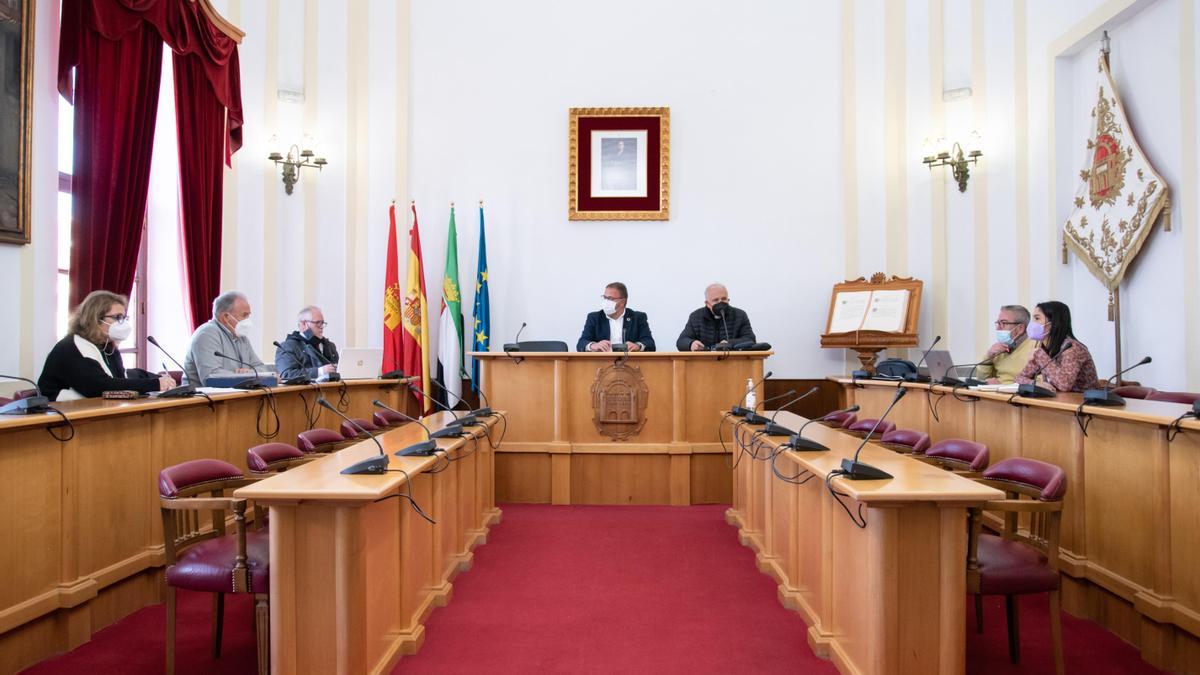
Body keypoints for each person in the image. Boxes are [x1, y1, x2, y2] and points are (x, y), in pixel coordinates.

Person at [38, 290, 175, 401]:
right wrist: (155, 384)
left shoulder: (108, 347)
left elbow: (120, 380)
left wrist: (159, 380)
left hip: (93, 412)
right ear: (95, 319)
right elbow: (99, 386)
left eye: (124, 318)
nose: (122, 323)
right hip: (60, 418)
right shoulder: (70, 347)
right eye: (117, 317)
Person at [183, 291, 266, 385]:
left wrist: (249, 373)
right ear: (226, 317)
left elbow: (260, 367)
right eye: (244, 315)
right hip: (202, 397)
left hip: (235, 395)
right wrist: (243, 376)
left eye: (248, 315)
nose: (248, 320)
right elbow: (211, 377)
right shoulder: (206, 334)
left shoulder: (241, 337)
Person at [1014, 301, 1099, 393]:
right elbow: (1019, 378)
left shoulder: (1072, 348)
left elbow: (1065, 385)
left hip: (1084, 403)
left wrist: (1040, 355)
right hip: (1060, 401)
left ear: (1053, 322)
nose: (1032, 324)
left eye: (1037, 318)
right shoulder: (1045, 348)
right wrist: (1034, 383)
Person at [577, 282, 656, 352]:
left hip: (630, 362)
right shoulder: (595, 317)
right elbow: (581, 343)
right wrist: (593, 345)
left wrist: (638, 346)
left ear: (622, 302)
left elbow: (650, 343)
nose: (606, 302)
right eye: (605, 297)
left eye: (610, 298)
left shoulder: (638, 317)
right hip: (602, 363)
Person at [676, 283, 756, 351]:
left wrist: (730, 343)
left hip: (733, 363)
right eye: (716, 300)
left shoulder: (740, 315)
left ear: (728, 299)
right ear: (707, 303)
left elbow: (750, 339)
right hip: (704, 364)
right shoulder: (696, 316)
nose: (720, 303)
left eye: (724, 299)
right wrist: (691, 344)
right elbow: (681, 341)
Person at [975, 304, 1036, 384]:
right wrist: (988, 356)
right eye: (998, 323)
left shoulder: (1036, 347)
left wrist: (1002, 387)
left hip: (1017, 396)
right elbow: (982, 379)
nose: (998, 328)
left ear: (1020, 328)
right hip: (995, 394)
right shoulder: (1000, 348)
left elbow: (1039, 385)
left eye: (1004, 323)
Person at [275, 306, 339, 381]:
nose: (321, 327)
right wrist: (320, 372)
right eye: (317, 323)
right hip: (306, 391)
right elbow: (286, 374)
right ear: (304, 324)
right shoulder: (287, 347)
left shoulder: (329, 345)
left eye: (322, 323)